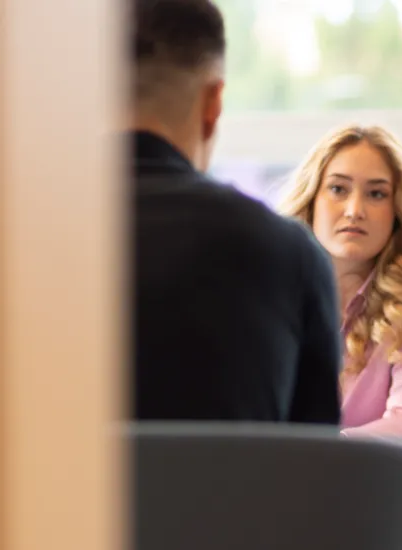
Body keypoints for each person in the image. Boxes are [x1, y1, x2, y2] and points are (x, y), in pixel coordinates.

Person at [131, 0, 341, 424]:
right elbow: (316, 468)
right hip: (239, 494)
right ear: (213, 105)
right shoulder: (290, 255)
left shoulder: (10, 242)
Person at [278, 125, 402, 442]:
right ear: (311, 199)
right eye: (338, 189)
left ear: (397, 210)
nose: (354, 211)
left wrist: (312, 453)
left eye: (376, 194)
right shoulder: (272, 288)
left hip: (377, 482)